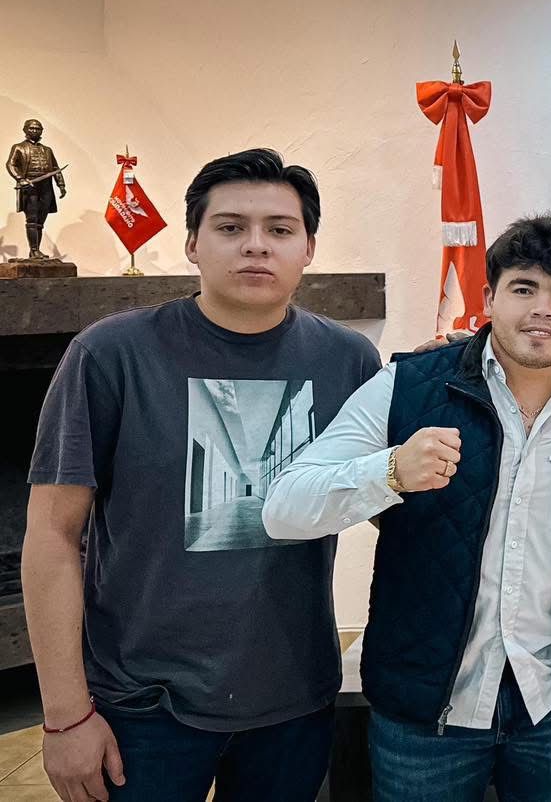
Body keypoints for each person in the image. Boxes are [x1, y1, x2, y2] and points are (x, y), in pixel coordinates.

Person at [24, 148, 380, 802]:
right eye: (230, 227)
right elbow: (51, 536)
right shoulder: (110, 354)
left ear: (308, 248)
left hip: (294, 697)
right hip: (140, 703)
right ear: (192, 243)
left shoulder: (349, 359)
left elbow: (385, 495)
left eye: (280, 229)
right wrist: (65, 714)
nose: (255, 245)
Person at [263, 215, 551, 801]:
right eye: (523, 288)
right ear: (488, 297)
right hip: (428, 705)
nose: (543, 309)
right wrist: (389, 471)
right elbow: (284, 508)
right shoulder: (409, 386)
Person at [6, 118, 67, 258]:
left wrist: (61, 185)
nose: (35, 130)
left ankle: (35, 251)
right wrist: (20, 179)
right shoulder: (18, 147)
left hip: (46, 187)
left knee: (40, 220)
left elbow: (55, 168)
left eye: (38, 128)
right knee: (32, 219)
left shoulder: (47, 150)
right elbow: (10, 164)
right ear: (25, 130)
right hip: (30, 187)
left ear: (42, 131)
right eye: (32, 128)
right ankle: (34, 250)